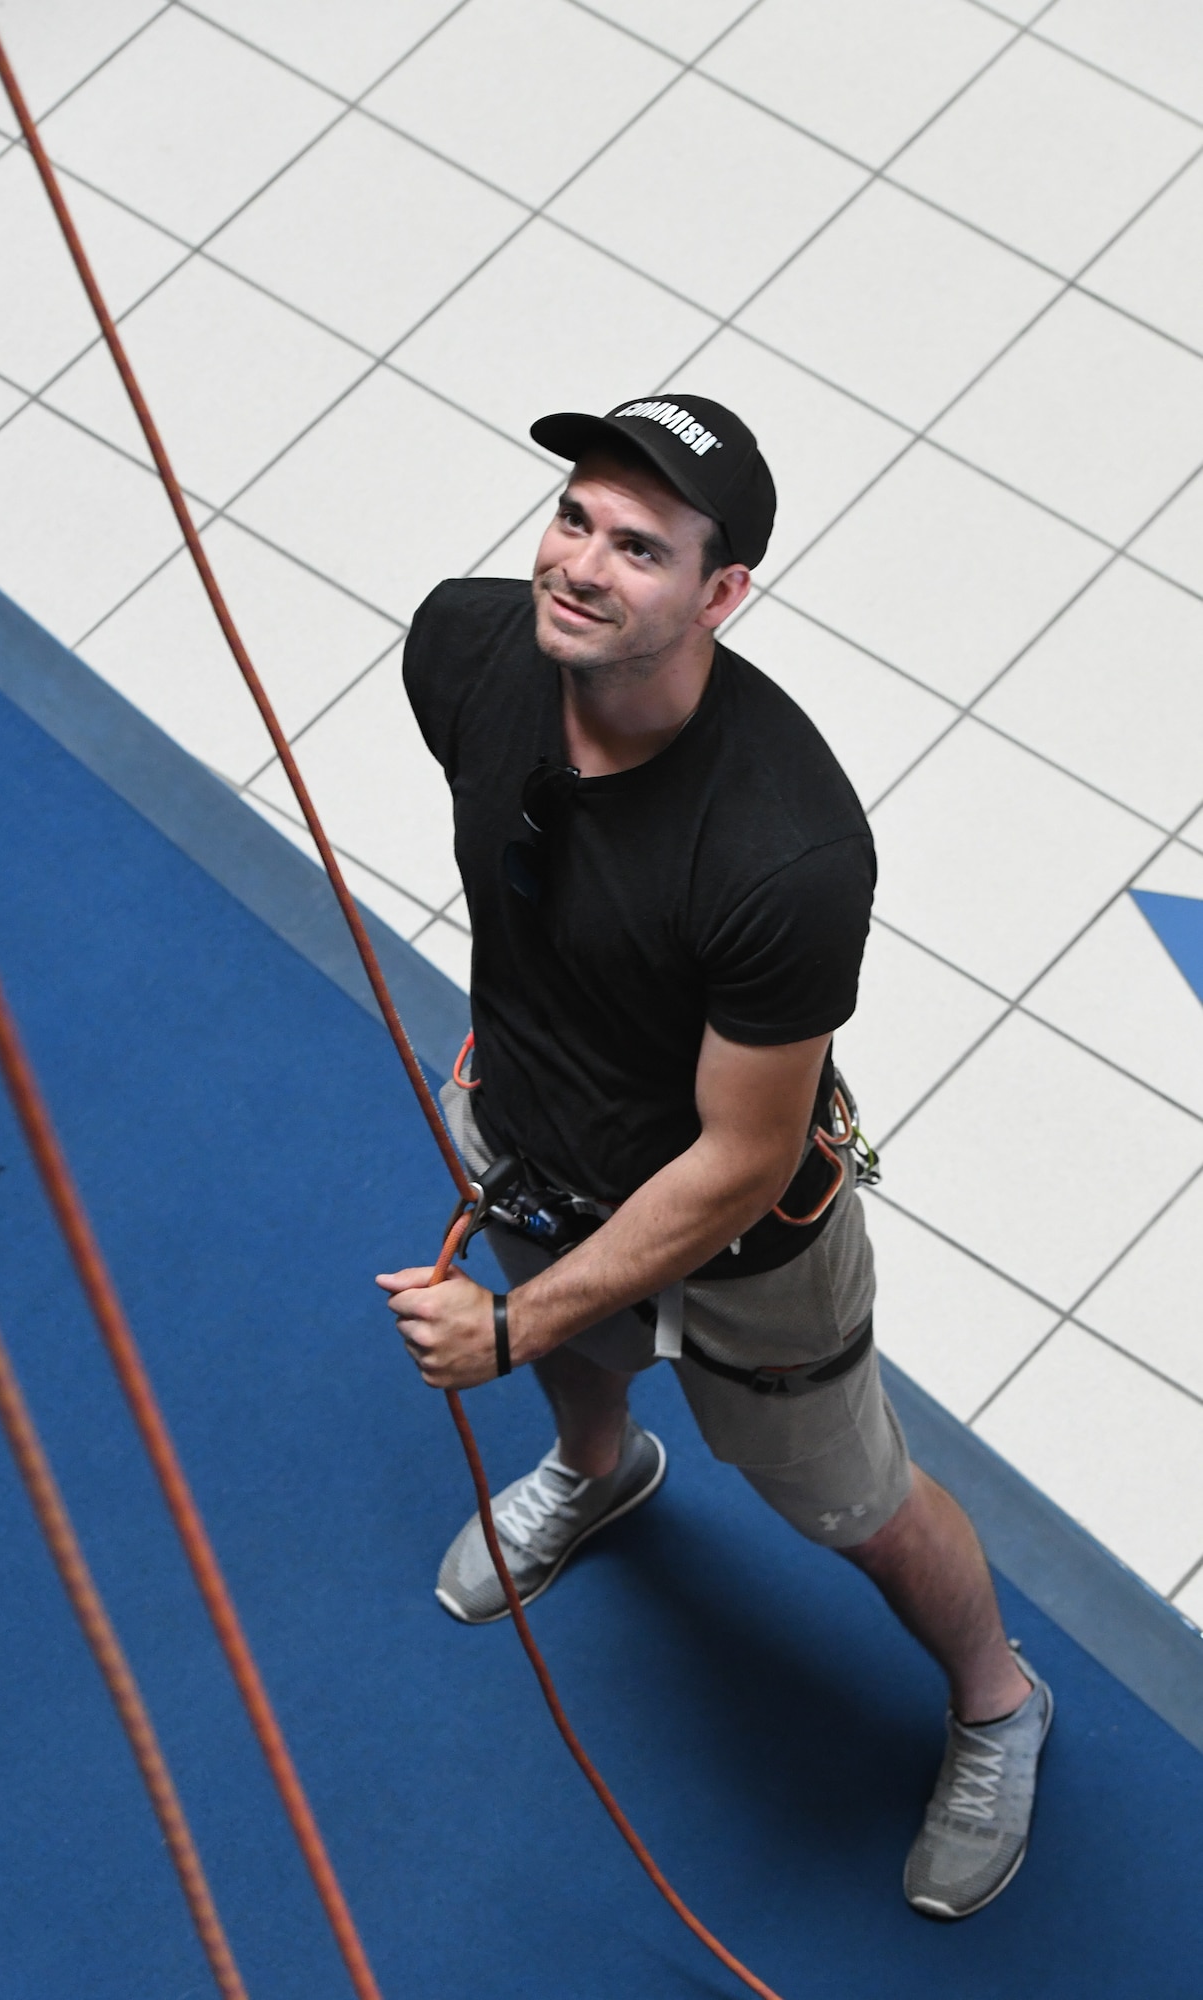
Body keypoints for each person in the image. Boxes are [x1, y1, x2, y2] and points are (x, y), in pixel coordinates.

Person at [377, 394, 1052, 1921]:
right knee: (584, 1365)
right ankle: (596, 1472)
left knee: (847, 1499)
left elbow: (743, 1159)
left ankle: (998, 1700)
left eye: (638, 545)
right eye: (572, 517)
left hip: (745, 1245)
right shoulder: (464, 651)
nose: (581, 564)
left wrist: (508, 1322)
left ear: (719, 592)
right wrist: (540, 1303)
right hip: (533, 1143)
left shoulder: (784, 852)